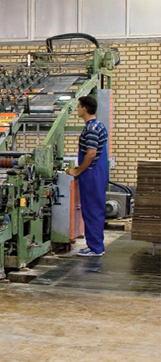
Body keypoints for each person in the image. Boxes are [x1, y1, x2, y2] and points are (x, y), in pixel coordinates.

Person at [66, 96, 109, 256]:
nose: (77, 109)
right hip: (97, 172)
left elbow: (91, 153)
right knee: (94, 209)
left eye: (78, 106)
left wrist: (78, 171)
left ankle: (95, 248)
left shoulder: (91, 129)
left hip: (92, 174)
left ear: (84, 108)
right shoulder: (98, 126)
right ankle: (95, 245)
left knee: (92, 210)